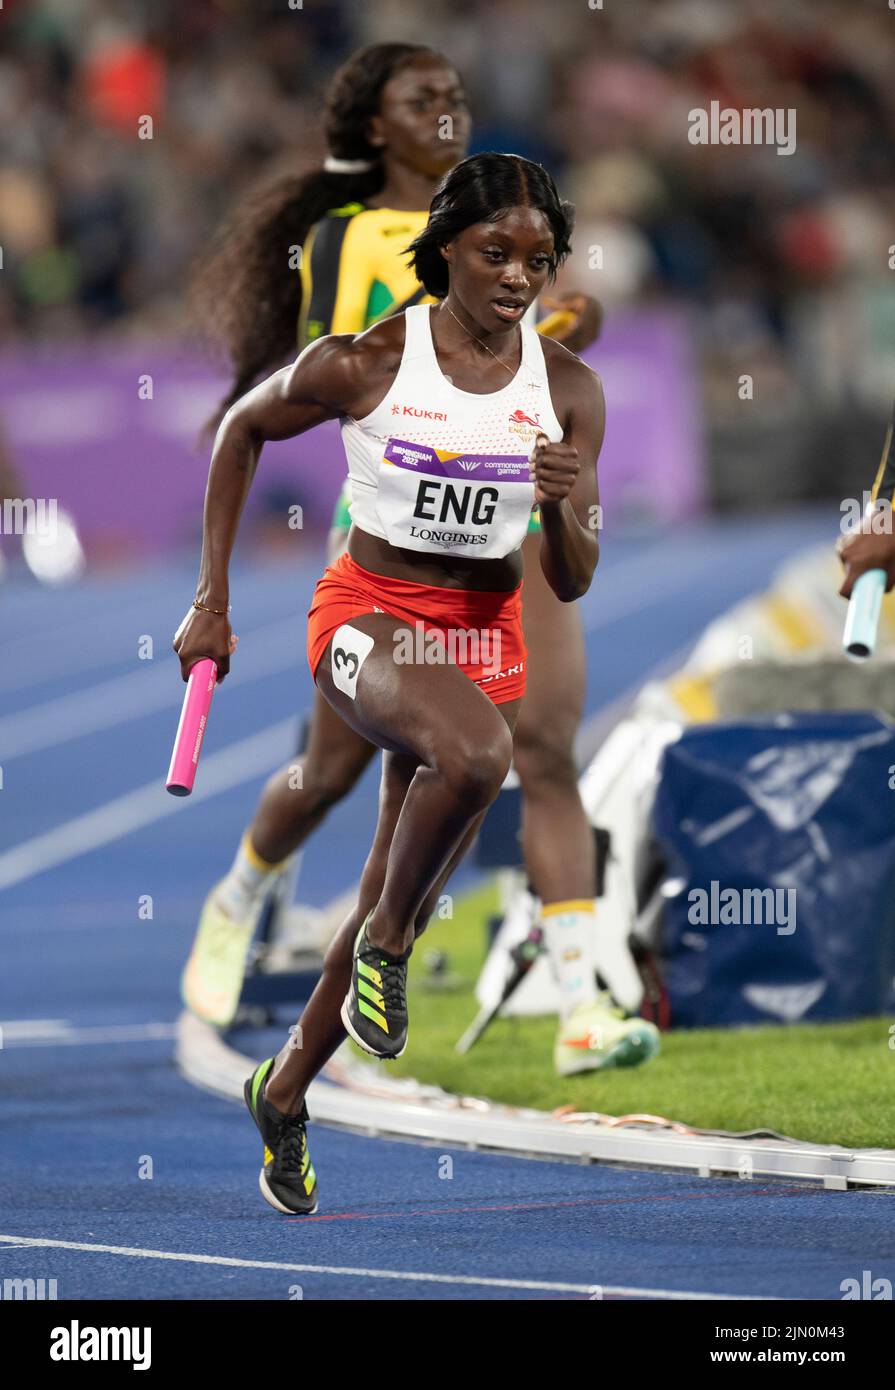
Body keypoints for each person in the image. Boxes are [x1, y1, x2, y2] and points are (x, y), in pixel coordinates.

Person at [184, 41, 657, 1080]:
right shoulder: (347, 238)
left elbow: (565, 319)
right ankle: (246, 890)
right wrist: (416, 386)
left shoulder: (513, 212)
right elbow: (300, 379)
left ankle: (577, 1001)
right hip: (389, 506)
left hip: (509, 515)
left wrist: (559, 342)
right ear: (371, 125)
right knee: (334, 775)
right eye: (422, 99)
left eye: (455, 97)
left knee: (532, 750)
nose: (447, 113)